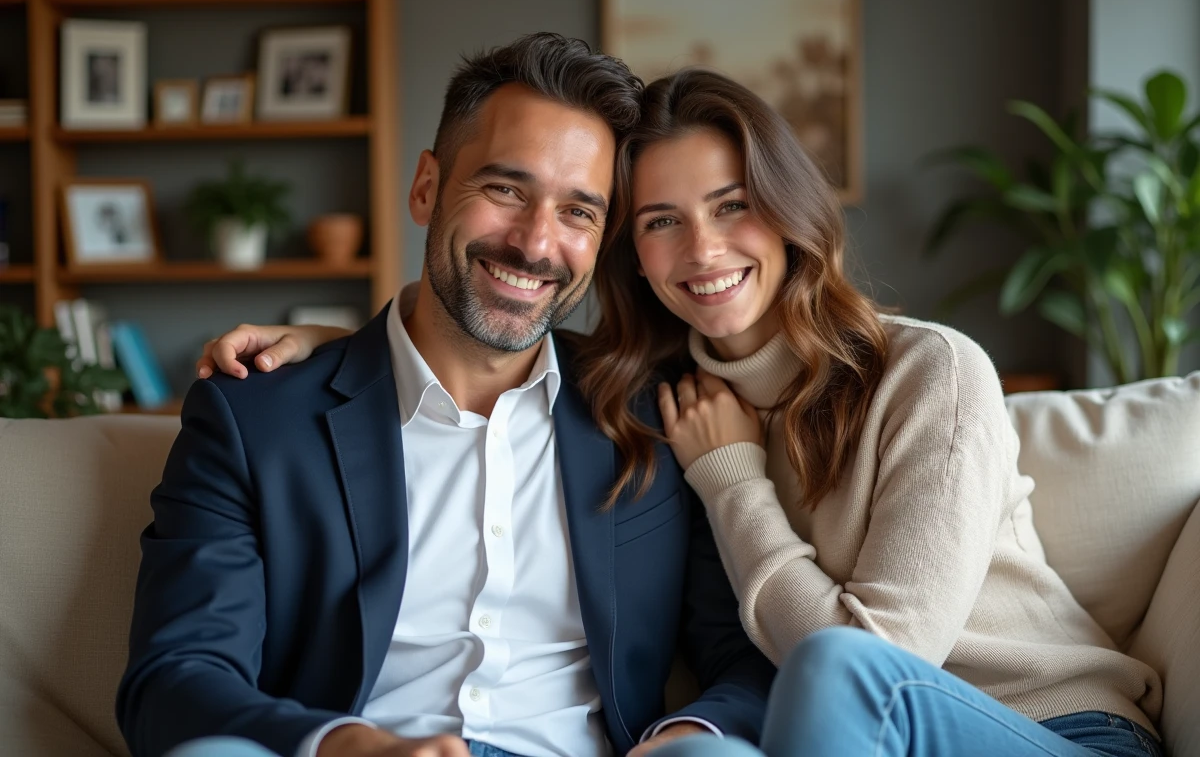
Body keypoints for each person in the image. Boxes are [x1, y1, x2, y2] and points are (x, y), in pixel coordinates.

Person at [206, 67, 1165, 757]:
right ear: (628, 252)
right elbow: (482, 336)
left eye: (733, 204)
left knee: (828, 673)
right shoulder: (663, 393)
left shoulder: (928, 371)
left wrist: (733, 476)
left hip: (1053, 730)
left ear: (789, 212)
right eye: (660, 221)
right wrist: (340, 351)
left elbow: (871, 662)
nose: (703, 249)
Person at [118, 35, 775, 757]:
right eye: (505, 190)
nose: (534, 242)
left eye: (578, 213)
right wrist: (353, 748)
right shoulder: (254, 417)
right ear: (427, 186)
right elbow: (175, 679)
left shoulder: (656, 414)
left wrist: (684, 736)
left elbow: (747, 654)